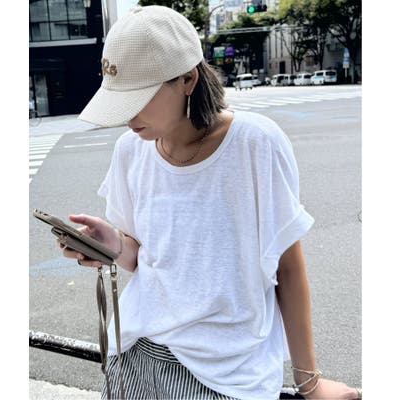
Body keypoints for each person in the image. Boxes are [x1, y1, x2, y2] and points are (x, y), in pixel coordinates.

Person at [59, 5, 361, 400]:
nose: (127, 116)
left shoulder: (255, 143)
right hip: (134, 356)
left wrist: (310, 383)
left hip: (226, 375)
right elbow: (146, 259)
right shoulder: (130, 151)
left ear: (188, 79)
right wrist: (113, 244)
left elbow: (287, 269)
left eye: (139, 97)